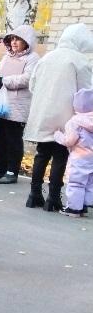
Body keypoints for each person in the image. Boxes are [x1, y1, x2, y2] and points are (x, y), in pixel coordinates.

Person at [24, 23, 93, 211]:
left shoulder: (47, 58)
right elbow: (86, 92)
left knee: (42, 154)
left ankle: (34, 194)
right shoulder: (80, 61)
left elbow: (33, 85)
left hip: (43, 112)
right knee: (60, 156)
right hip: (67, 115)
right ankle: (53, 198)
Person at [0, 25, 40, 185]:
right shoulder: (7, 56)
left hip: (17, 105)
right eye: (12, 39)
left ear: (27, 42)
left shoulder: (32, 58)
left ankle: (12, 170)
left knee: (13, 139)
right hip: (1, 104)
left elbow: (28, 78)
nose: (14, 43)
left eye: (18, 39)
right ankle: (0, 167)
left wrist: (4, 81)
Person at [54, 88, 93, 217]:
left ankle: (74, 209)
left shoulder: (74, 122)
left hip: (79, 157)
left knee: (76, 182)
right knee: (89, 182)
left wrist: (58, 135)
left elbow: (70, 140)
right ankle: (85, 205)